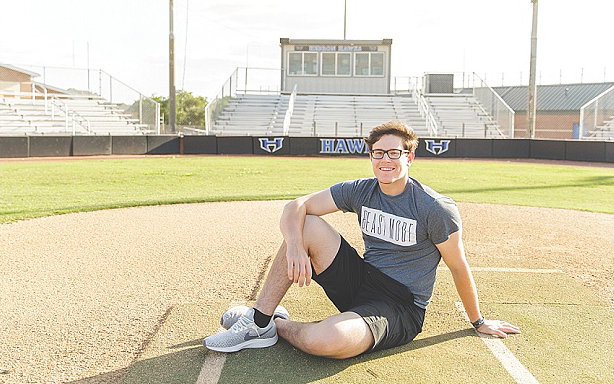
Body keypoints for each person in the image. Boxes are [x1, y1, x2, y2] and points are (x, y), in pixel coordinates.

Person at [203, 121, 520, 357]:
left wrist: (478, 321)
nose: (385, 160)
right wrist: (297, 247)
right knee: (307, 224)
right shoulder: (362, 190)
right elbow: (295, 207)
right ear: (371, 157)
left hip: (399, 305)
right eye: (378, 153)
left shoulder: (434, 208)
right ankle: (258, 321)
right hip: (362, 281)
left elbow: (458, 266)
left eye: (394, 153)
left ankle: (278, 325)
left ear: (409, 158)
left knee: (324, 341)